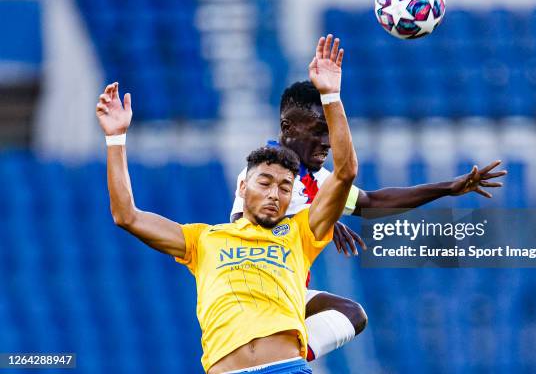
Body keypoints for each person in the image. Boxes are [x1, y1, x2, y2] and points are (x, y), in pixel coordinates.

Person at [96, 34, 356, 373]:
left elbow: (346, 172)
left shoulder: (300, 234)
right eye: (265, 182)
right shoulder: (203, 240)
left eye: (285, 187)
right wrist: (115, 138)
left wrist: (331, 96)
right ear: (242, 185)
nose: (274, 194)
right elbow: (126, 215)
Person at [230, 77, 507, 363]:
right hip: (256, 286)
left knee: (351, 315)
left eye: (329, 132)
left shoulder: (318, 181)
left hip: (289, 289)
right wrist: (315, 218)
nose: (327, 142)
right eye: (319, 131)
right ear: (289, 127)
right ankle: (271, 360)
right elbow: (243, 227)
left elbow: (372, 202)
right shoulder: (261, 175)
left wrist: (448, 188)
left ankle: (281, 361)